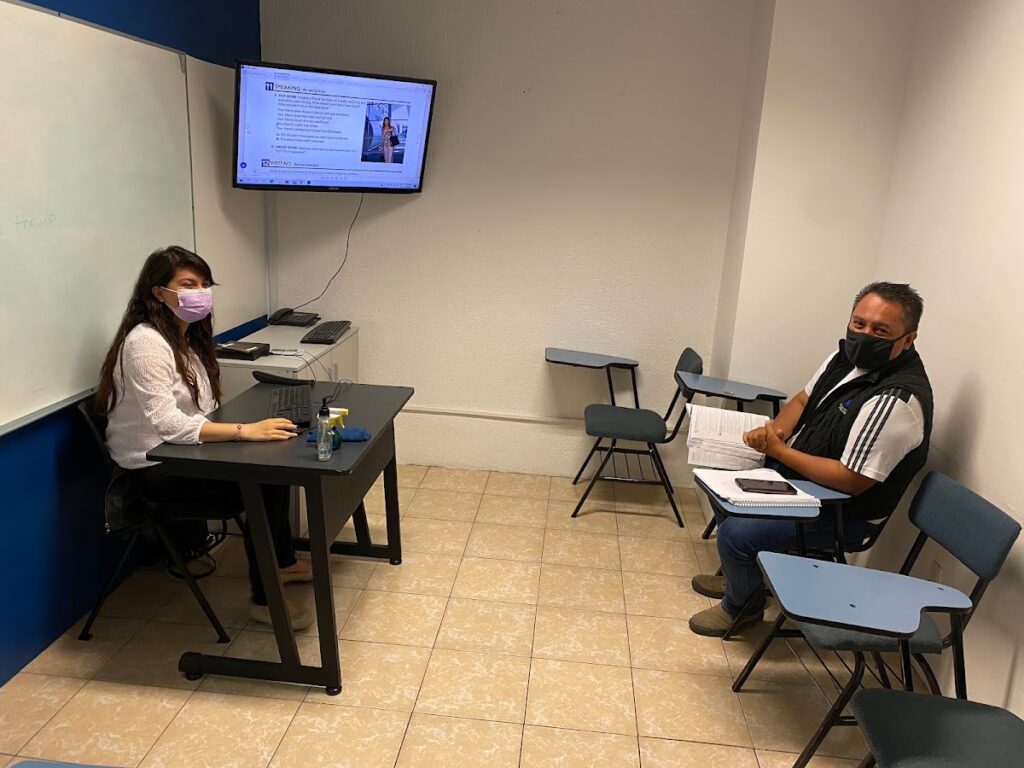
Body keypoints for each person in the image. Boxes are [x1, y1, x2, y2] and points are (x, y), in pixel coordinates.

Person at [688, 282, 933, 637]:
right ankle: (744, 583)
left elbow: (851, 480)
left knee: (738, 534)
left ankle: (742, 608)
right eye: (859, 323)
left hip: (844, 512)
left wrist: (779, 451)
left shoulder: (895, 401)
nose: (864, 335)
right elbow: (804, 399)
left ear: (908, 339)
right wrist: (777, 432)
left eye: (880, 330)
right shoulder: (844, 359)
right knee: (726, 490)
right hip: (802, 482)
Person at [98, 245, 314, 629]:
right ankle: (264, 601)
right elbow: (168, 424)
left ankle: (281, 563)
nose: (199, 292)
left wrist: (246, 434)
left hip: (182, 452)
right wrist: (244, 431)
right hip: (153, 467)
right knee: (262, 484)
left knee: (275, 466)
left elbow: (203, 408)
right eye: (187, 284)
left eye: (204, 284)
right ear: (158, 292)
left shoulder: (184, 336)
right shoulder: (146, 344)